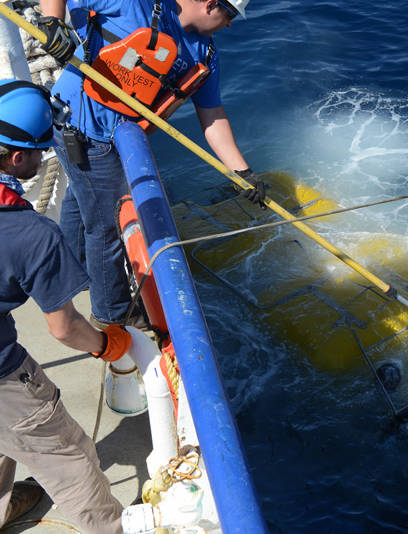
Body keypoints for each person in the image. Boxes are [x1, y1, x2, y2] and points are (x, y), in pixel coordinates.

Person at [38, 0, 265, 328]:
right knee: (106, 225)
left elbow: (212, 115)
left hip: (117, 134)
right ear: (211, 4)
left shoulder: (205, 53)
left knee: (83, 198)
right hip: (81, 126)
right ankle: (112, 314)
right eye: (229, 16)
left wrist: (242, 172)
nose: (229, 25)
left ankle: (66, 273)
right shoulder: (134, 4)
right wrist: (52, 21)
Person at [0, 79, 131, 533]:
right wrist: (105, 345)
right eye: (41, 148)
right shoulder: (31, 234)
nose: (45, 155)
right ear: (18, 158)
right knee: (73, 461)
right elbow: (64, 328)